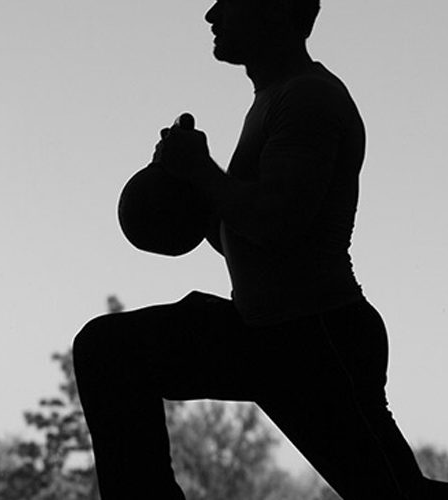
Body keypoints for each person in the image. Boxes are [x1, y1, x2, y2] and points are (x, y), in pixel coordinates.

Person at [74, 1, 448, 497]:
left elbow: (278, 224)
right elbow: (252, 242)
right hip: (267, 335)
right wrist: (187, 185)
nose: (212, 15)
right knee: (109, 350)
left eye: (228, 1)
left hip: (317, 339)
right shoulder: (275, 98)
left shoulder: (309, 98)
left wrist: (200, 172)